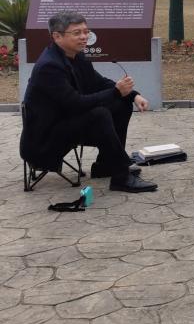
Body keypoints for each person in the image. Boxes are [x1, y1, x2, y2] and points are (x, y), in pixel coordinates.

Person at [20, 11, 157, 193]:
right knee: (99, 114)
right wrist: (116, 91)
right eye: (77, 33)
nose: (84, 37)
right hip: (44, 140)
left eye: (86, 32)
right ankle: (121, 176)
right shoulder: (49, 66)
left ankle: (106, 165)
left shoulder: (77, 56)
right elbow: (76, 104)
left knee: (120, 104)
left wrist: (132, 95)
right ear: (57, 36)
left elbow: (99, 83)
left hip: (66, 124)